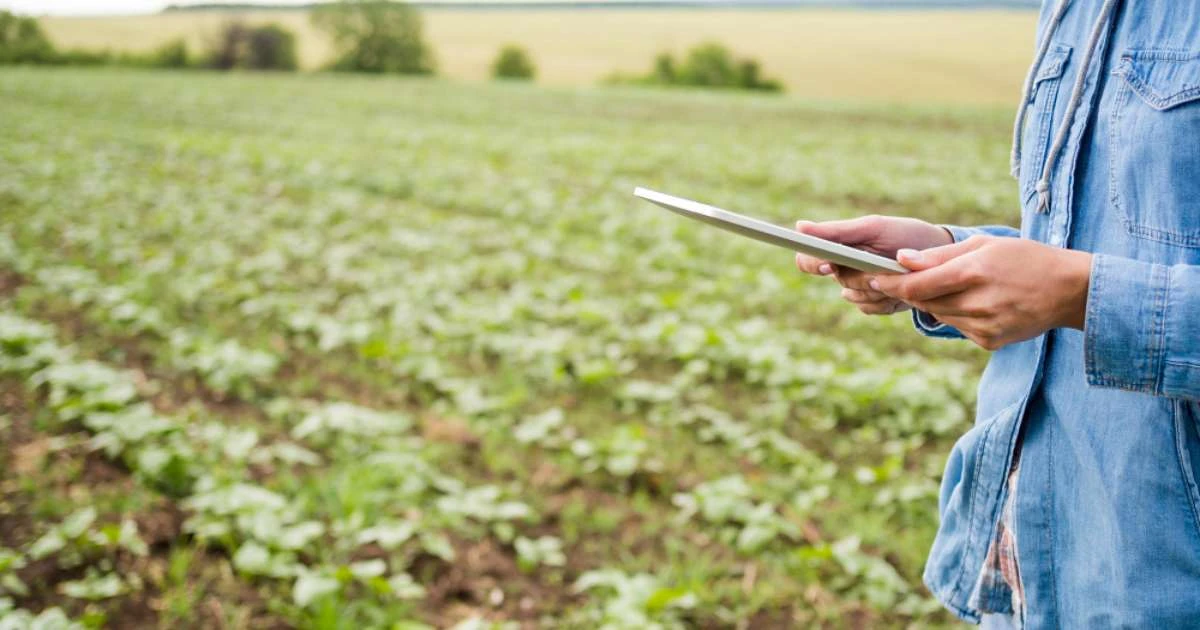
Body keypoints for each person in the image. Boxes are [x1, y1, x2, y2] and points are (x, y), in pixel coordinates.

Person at [794, 1, 1200, 627]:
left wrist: (1079, 294)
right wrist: (943, 255)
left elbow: (1076, 279)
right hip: (1041, 549)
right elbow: (1080, 245)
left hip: (1162, 568)